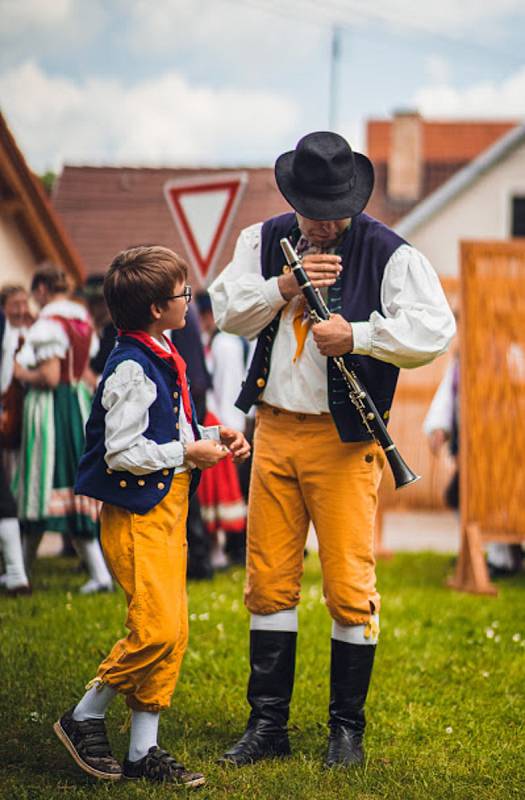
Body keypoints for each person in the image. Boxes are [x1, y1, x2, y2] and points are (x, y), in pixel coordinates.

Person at [209, 131, 456, 769]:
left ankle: (346, 730)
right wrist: (284, 288)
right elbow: (225, 311)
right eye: (311, 213)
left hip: (345, 442)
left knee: (349, 585)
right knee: (268, 580)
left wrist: (362, 335)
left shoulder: (387, 251)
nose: (321, 227)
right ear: (295, 200)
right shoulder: (263, 241)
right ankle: (269, 726)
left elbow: (435, 328)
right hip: (274, 430)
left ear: (350, 202)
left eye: (331, 215)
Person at [54, 245, 250, 786]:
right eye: (182, 293)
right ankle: (84, 714)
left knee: (174, 631)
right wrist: (186, 454)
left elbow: (170, 430)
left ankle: (144, 750)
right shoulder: (130, 370)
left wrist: (211, 437)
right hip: (138, 517)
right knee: (154, 629)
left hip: (168, 511)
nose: (190, 299)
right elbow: (123, 452)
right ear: (154, 309)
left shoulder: (161, 350)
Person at [13, 266, 112, 594]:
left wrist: (17, 371)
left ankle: (22, 571)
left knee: (44, 483)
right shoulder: (81, 321)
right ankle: (23, 570)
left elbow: (51, 377)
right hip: (77, 405)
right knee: (71, 486)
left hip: (52, 409)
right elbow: (82, 372)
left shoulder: (48, 324)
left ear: (41, 288)